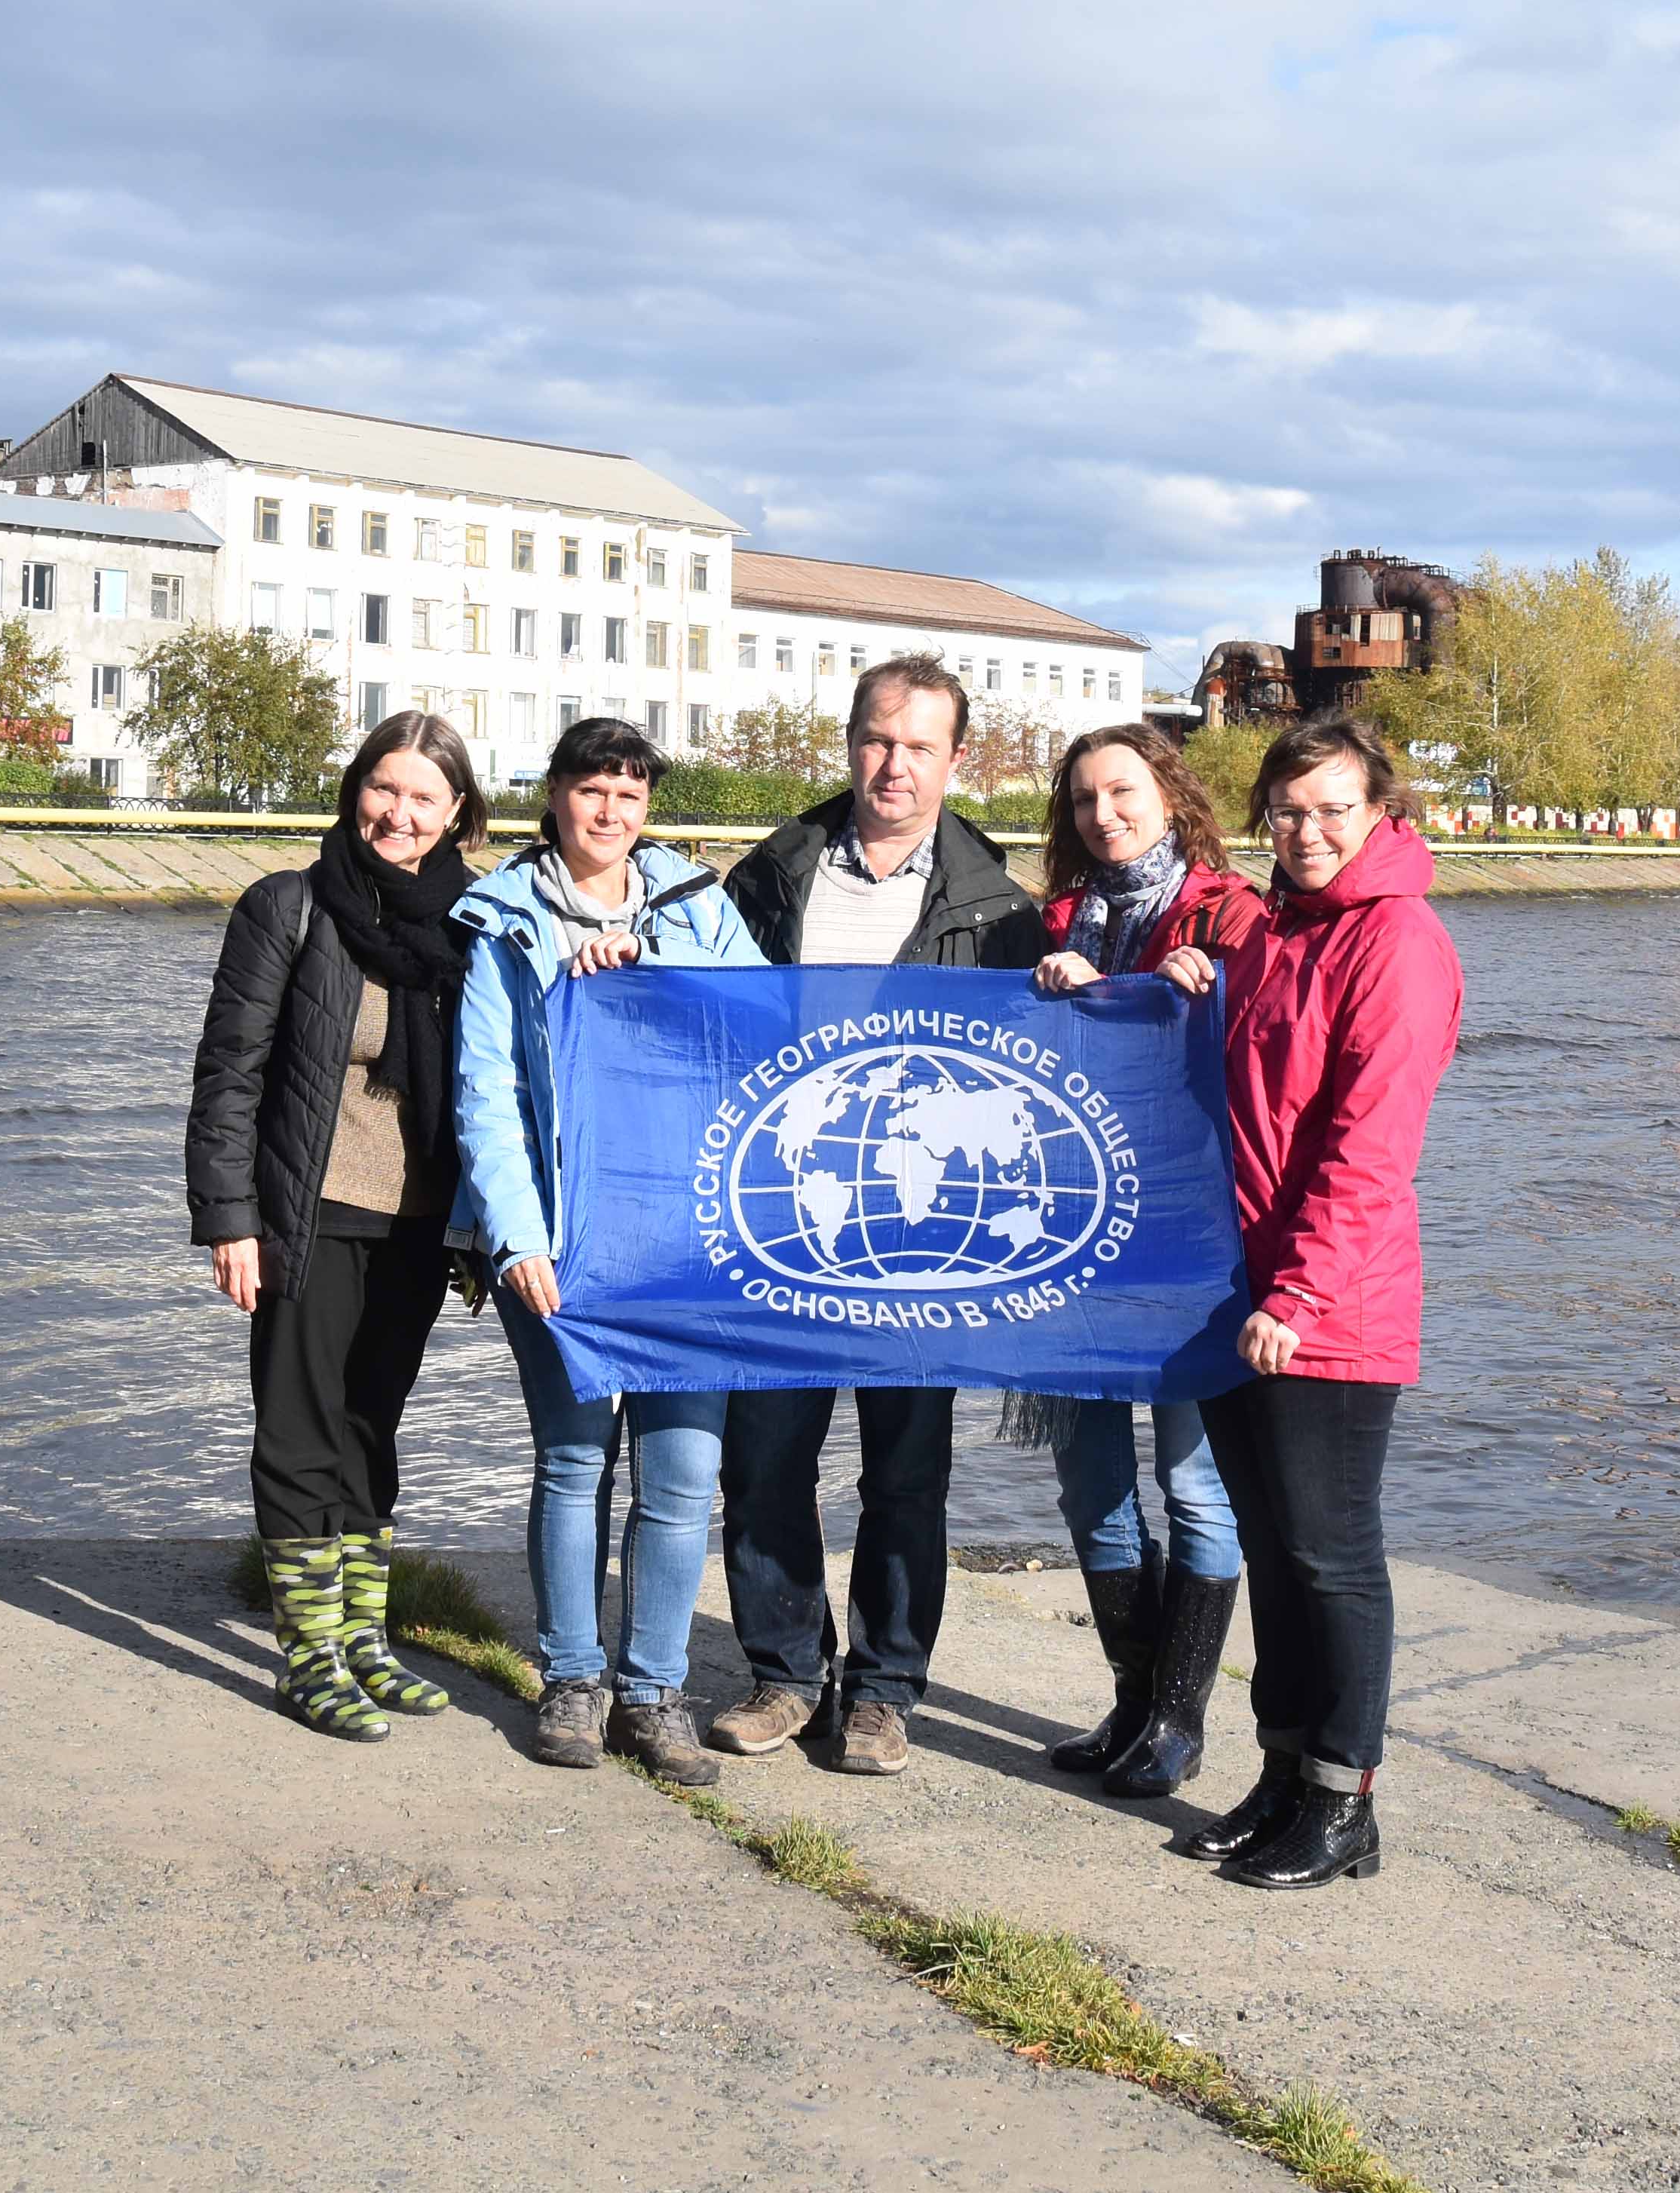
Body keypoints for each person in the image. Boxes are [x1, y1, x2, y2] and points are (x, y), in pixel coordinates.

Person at [707, 655, 1047, 1774]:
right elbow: (695, 1002)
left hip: (919, 1234)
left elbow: (1041, 1071)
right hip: (784, 1222)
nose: (892, 765)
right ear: (849, 741)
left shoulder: (1001, 911)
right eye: (875, 739)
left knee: (905, 1474)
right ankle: (783, 1674)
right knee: (763, 1462)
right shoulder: (773, 875)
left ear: (958, 759)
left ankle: (886, 1689)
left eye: (917, 746)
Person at [1173, 713, 1461, 1892]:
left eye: (1334, 808)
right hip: (1241, 1299)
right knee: (1277, 1552)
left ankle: (1346, 1801)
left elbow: (1367, 1147)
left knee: (1333, 1556)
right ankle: (1285, 1773)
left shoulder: (1397, 941)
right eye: (1289, 811)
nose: (1309, 831)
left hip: (1327, 1308)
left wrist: (1297, 1291)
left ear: (1379, 812)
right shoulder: (1274, 936)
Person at [454, 715, 768, 1782]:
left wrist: (650, 976)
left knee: (682, 1473)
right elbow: (485, 1093)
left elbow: (761, 1033)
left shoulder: (698, 908)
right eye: (592, 791)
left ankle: (654, 1689)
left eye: (630, 796)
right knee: (575, 1459)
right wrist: (516, 1237)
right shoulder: (504, 922)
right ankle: (574, 1680)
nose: (609, 813)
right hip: (564, 1243)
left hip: (686, 1241)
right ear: (554, 796)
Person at [185, 710, 486, 1744]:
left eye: (422, 799)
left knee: (371, 1429)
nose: (397, 815)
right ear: (356, 787)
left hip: (416, 1223)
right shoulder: (290, 907)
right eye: (384, 789)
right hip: (304, 1216)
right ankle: (306, 1653)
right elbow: (230, 1074)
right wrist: (230, 1219)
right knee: (301, 1429)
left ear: (455, 816)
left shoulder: (469, 925)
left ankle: (364, 1639)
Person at [1019, 720, 1262, 1798]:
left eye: (1122, 792)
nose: (1103, 815)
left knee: (1193, 1483)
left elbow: (1274, 1055)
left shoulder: (1232, 912)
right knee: (1092, 1486)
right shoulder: (1058, 921)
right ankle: (1130, 1701)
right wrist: (1050, 996)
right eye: (1082, 800)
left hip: (1191, 1243)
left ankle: (1177, 1719)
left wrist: (1215, 990)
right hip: (1068, 1241)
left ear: (1168, 792)